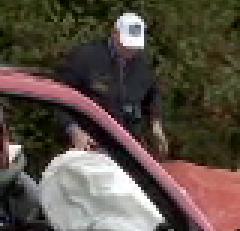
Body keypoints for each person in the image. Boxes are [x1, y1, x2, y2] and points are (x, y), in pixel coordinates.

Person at [53, 12, 168, 157]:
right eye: (126, 44)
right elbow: (59, 98)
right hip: (90, 146)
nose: (131, 50)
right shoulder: (85, 58)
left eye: (135, 46)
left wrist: (155, 123)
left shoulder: (141, 64)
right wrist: (73, 130)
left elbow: (152, 93)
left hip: (128, 148)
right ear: (114, 33)